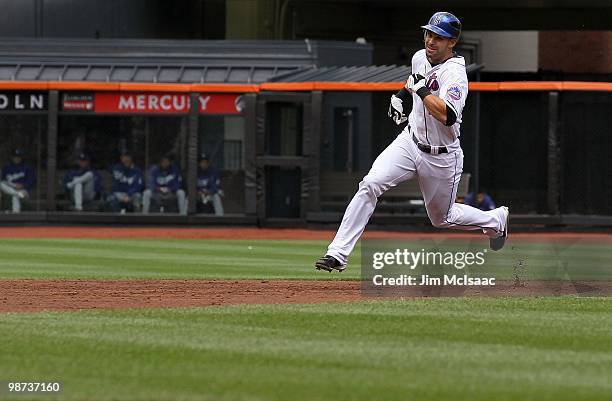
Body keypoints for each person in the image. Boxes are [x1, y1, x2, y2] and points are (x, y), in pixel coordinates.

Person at [315, 12, 509, 273]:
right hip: (409, 141)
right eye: (428, 33)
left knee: (442, 218)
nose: (430, 40)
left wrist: (421, 91)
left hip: (441, 155)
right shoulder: (420, 56)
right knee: (370, 183)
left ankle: (496, 220)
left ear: (452, 42)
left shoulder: (456, 75)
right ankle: (337, 254)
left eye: (438, 37)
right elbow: (413, 83)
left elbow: (447, 115)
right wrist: (399, 96)